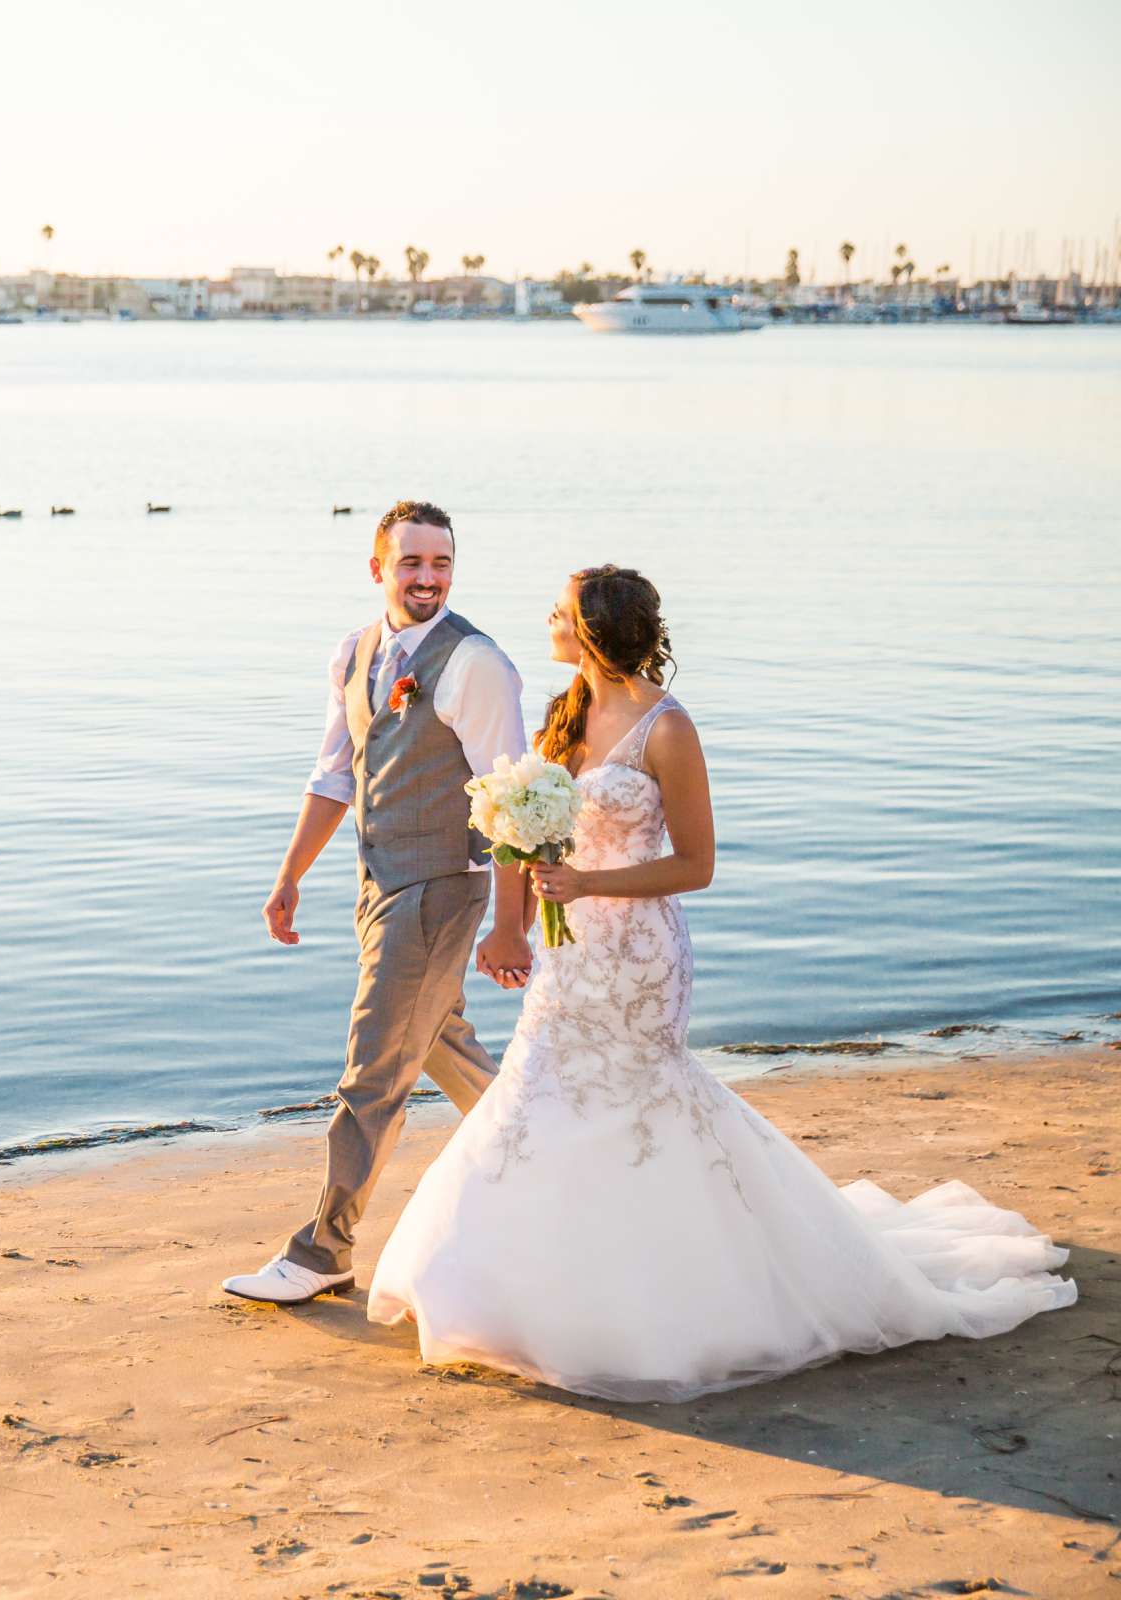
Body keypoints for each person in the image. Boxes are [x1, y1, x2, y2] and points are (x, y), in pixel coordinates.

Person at [362, 565, 1076, 1401]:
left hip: (641, 959)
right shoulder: (566, 714)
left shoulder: (667, 728)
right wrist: (511, 922)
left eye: (559, 610)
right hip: (570, 955)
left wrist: (588, 888)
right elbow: (528, 835)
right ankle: (493, 1287)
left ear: (592, 629)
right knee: (530, 1099)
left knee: (640, 1104)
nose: (547, 619)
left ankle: (668, 1297)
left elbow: (696, 864)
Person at [221, 500, 534, 1306]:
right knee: (437, 1044)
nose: (428, 578)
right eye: (411, 563)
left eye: (441, 564)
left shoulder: (477, 665)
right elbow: (336, 774)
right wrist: (290, 874)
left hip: (439, 887)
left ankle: (324, 1248)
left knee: (372, 1071)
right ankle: (547, 1160)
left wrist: (508, 924)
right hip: (376, 884)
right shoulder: (355, 653)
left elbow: (513, 806)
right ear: (378, 569)